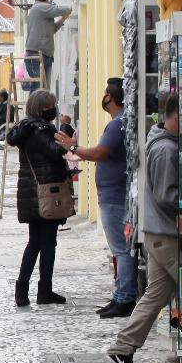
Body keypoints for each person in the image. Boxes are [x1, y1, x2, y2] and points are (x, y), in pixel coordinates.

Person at [106, 93, 181, 363]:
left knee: (155, 296)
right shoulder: (166, 150)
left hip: (158, 231)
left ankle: (122, 348)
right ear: (177, 116)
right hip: (165, 233)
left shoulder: (163, 144)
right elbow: (165, 196)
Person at [59, 77, 135, 319]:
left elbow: (100, 153)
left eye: (105, 93)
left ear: (109, 97)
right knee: (120, 249)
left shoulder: (118, 124)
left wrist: (73, 147)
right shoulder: (120, 122)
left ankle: (125, 298)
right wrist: (79, 151)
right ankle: (121, 295)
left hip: (114, 195)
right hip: (113, 192)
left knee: (121, 249)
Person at [7, 89, 71, 307]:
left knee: (35, 242)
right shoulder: (39, 129)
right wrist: (65, 127)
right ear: (39, 108)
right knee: (47, 242)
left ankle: (24, 291)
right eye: (49, 106)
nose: (53, 109)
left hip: (33, 192)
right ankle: (43, 291)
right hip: (45, 192)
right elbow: (56, 150)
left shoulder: (28, 128)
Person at [25, 0, 71, 87]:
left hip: (39, 54)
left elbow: (51, 30)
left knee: (40, 87)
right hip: (39, 54)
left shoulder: (38, 11)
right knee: (39, 87)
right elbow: (58, 10)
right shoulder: (40, 7)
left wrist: (62, 20)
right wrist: (69, 8)